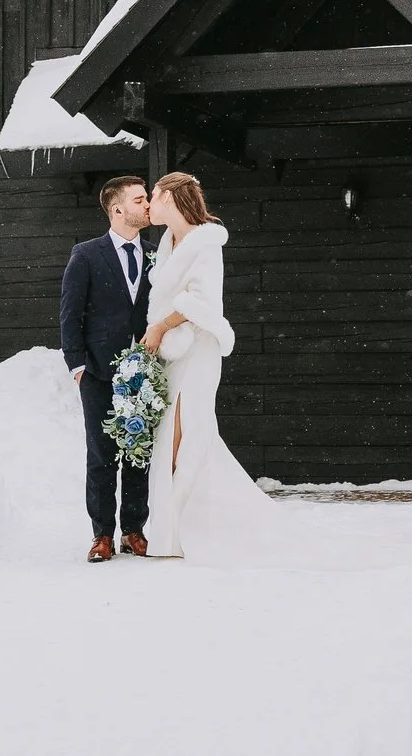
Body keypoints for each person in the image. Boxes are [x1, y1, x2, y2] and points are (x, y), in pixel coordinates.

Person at [138, 170, 273, 561]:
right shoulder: (168, 242)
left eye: (153, 196)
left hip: (197, 350)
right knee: (170, 440)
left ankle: (193, 529)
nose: (148, 204)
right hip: (172, 354)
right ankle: (173, 531)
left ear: (170, 197)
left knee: (187, 434)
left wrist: (161, 326)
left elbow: (203, 302)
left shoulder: (206, 244)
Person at [58, 173, 154, 564]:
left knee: (139, 452)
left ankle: (134, 530)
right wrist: (77, 365)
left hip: (145, 373)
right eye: (139, 199)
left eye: (147, 198)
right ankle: (102, 535)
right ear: (117, 209)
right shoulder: (86, 254)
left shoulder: (156, 254)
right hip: (97, 371)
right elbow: (70, 312)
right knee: (101, 455)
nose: (147, 205)